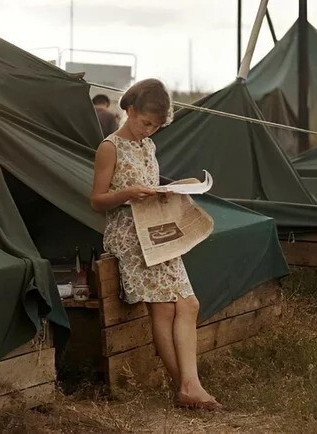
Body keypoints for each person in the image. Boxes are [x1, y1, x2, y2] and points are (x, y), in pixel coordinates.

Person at [90, 79, 221, 410]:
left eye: (155, 127)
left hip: (155, 229)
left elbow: (149, 184)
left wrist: (167, 192)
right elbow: (97, 200)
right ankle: (188, 389)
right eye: (145, 123)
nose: (148, 131)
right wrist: (128, 193)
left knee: (188, 304)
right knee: (163, 307)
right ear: (130, 111)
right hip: (128, 233)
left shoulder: (148, 147)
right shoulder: (110, 147)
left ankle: (188, 386)